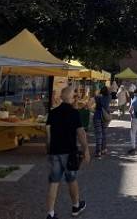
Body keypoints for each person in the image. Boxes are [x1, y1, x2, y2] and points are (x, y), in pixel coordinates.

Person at [45, 87, 89, 219]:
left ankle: (50, 213)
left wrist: (48, 148)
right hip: (69, 152)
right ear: (70, 97)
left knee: (54, 182)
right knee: (72, 179)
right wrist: (86, 149)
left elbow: (48, 133)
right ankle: (76, 206)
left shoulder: (52, 112)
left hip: (55, 151)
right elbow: (81, 133)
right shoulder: (74, 113)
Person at [93, 86, 110, 158]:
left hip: (97, 116)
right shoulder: (109, 97)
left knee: (98, 134)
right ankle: (104, 149)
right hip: (105, 116)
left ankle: (98, 151)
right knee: (104, 133)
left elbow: (95, 95)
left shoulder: (98, 98)